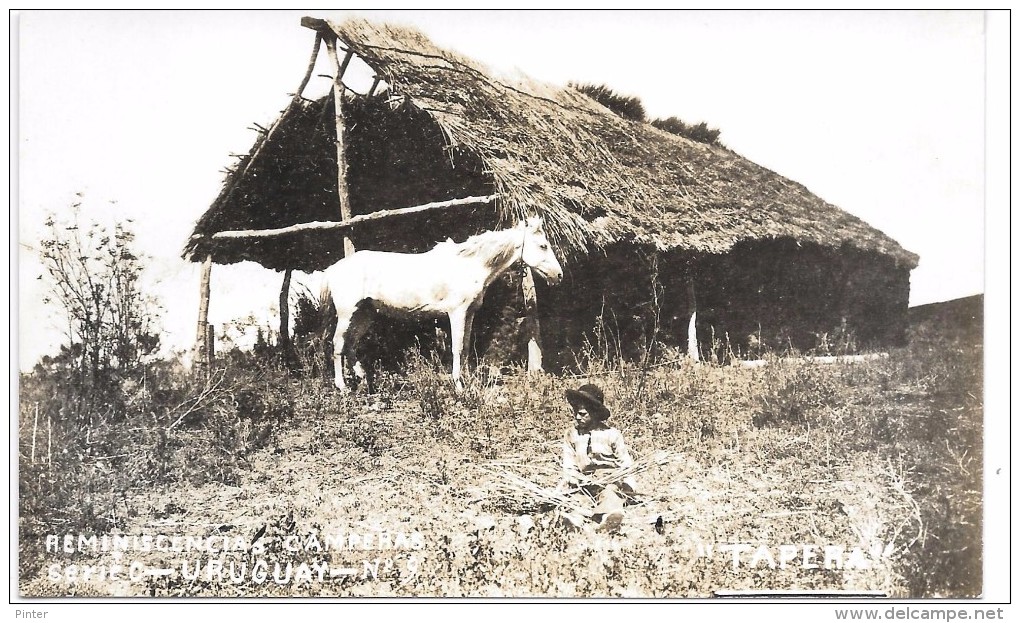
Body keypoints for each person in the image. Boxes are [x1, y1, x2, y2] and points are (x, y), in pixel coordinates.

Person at [556, 383, 636, 533]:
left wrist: (627, 485)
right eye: (576, 413)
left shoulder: (611, 434)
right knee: (577, 499)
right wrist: (573, 479)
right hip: (583, 481)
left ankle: (609, 519)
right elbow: (569, 462)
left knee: (610, 494)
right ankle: (574, 521)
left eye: (583, 414)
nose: (577, 417)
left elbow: (625, 463)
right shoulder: (571, 435)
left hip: (608, 480)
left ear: (594, 413)